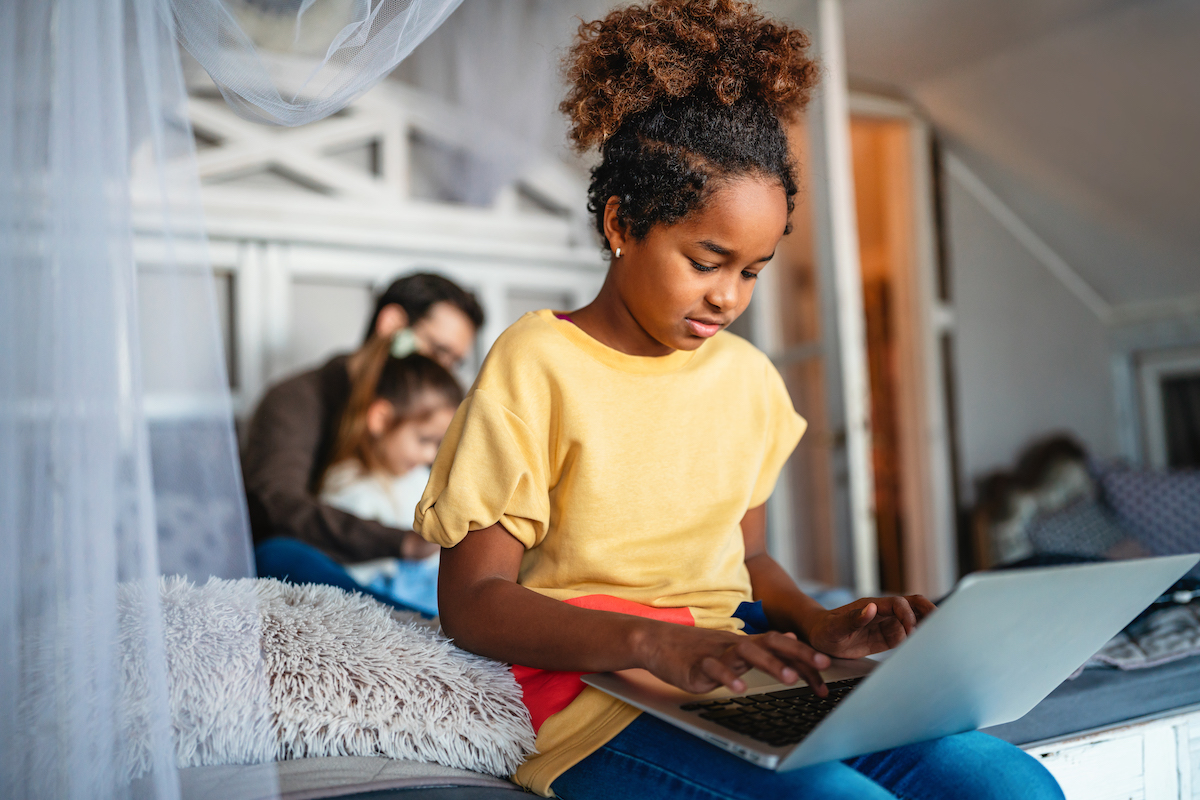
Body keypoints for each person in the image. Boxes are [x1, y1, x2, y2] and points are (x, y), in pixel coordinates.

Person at [413, 2, 1065, 799]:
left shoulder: (749, 379)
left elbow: (748, 561)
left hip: (732, 670)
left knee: (1007, 784)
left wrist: (815, 622)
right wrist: (654, 645)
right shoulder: (538, 362)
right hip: (594, 699)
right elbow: (473, 603)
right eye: (707, 259)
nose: (728, 297)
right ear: (623, 222)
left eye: (751, 271)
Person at [242, 272, 484, 570]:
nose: (445, 373)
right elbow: (278, 505)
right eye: (438, 351)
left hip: (406, 573)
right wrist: (404, 543)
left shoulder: (433, 417)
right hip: (318, 563)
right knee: (279, 554)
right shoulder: (295, 400)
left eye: (454, 363)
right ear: (392, 324)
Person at [317, 332, 464, 615]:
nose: (430, 455)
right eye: (424, 440)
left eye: (438, 444)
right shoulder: (347, 487)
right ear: (381, 420)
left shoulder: (419, 477)